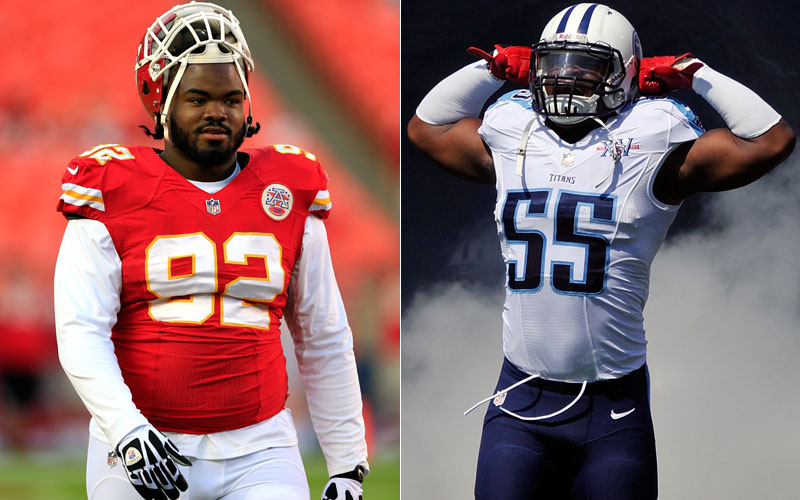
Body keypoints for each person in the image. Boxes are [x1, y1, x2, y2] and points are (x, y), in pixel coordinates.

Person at [407, 3, 794, 499]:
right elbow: (426, 127)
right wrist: (492, 67)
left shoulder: (651, 138)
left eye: (586, 68)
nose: (565, 81)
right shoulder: (513, 130)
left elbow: (770, 140)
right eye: (554, 65)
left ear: (626, 74)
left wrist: (695, 75)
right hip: (520, 402)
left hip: (614, 411)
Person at [54, 3, 368, 500]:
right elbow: (80, 329)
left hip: (261, 448)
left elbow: (324, 335)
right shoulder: (111, 187)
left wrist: (348, 464)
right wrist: (127, 429)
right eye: (197, 98)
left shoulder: (289, 185)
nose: (216, 112)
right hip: (142, 446)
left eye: (231, 98)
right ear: (160, 102)